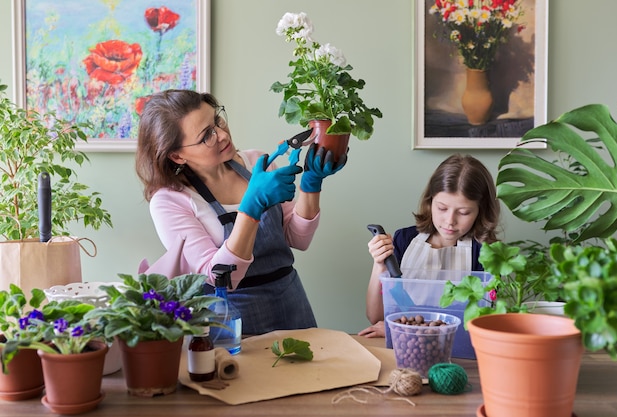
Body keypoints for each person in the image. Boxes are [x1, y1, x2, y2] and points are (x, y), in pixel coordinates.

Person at [135, 89, 347, 335]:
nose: (223, 135)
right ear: (177, 155)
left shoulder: (256, 162)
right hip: (230, 318)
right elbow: (219, 277)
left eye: (217, 121)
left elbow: (298, 239)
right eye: (207, 136)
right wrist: (252, 206)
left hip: (291, 301)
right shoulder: (169, 201)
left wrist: (311, 184)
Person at [358, 154, 500, 338]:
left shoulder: (484, 253)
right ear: (430, 201)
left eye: (463, 212)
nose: (450, 221)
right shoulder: (404, 239)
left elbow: (480, 326)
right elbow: (375, 316)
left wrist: (409, 329)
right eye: (442, 208)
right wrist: (379, 264)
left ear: (481, 210)